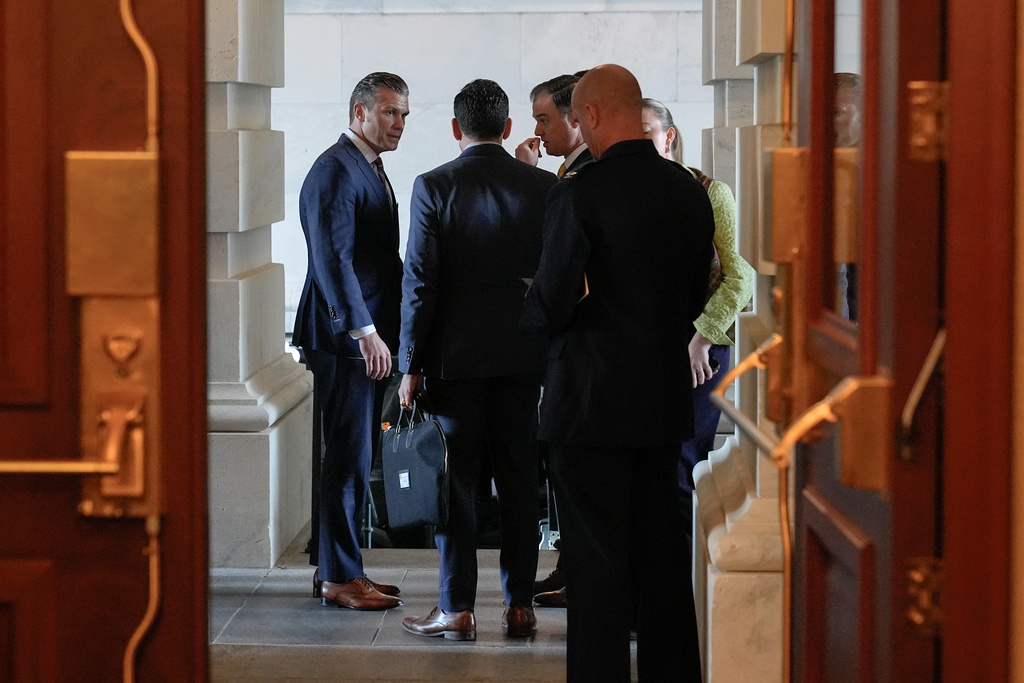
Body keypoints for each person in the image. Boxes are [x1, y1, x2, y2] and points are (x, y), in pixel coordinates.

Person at [523, 64, 712, 682]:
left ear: (595, 115)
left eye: (576, 118)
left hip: (590, 405)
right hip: (661, 402)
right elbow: (692, 295)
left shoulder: (579, 191)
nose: (577, 129)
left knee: (597, 567)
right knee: (662, 560)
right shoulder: (689, 189)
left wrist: (536, 305)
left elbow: (552, 302)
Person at [398, 79, 557, 641]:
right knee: (519, 483)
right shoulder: (543, 187)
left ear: (455, 128)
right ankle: (519, 606)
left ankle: (457, 608)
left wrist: (409, 365)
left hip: (453, 361)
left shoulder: (432, 185)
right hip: (524, 357)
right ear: (509, 128)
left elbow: (420, 282)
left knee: (456, 485)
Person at [292, 72, 409, 611]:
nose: (399, 124)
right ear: (358, 112)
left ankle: (341, 567)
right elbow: (332, 262)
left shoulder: (367, 166)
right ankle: (339, 576)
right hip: (345, 340)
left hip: (361, 337)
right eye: (389, 112)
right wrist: (365, 333)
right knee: (347, 457)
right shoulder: (336, 170)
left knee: (355, 456)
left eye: (404, 114)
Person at [641, 98, 755, 540]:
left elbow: (739, 277)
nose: (639, 141)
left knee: (683, 464)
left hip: (699, 347)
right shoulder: (630, 192)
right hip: (650, 345)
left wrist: (702, 337)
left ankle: (685, 584)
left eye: (647, 130)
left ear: (669, 136)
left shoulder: (710, 191)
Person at [513, 73, 596, 610]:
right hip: (575, 350)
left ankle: (580, 573)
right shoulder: (568, 172)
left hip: (579, 348)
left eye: (544, 118)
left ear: (576, 116)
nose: (537, 130)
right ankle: (570, 566)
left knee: (577, 474)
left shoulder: (583, 177)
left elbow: (559, 260)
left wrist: (528, 180)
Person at [515, 74, 594, 179]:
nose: (537, 132)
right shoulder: (579, 165)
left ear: (574, 116)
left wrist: (526, 171)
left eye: (544, 121)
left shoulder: (590, 171)